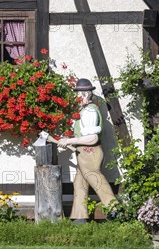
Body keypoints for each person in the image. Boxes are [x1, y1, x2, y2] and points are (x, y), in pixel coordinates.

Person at [58, 78, 117, 222]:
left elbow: (92, 138)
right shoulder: (84, 110)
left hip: (90, 152)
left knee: (95, 178)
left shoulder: (90, 111)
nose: (77, 97)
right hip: (83, 152)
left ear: (85, 94)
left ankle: (114, 208)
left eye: (79, 94)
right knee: (79, 184)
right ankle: (80, 217)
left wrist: (69, 141)